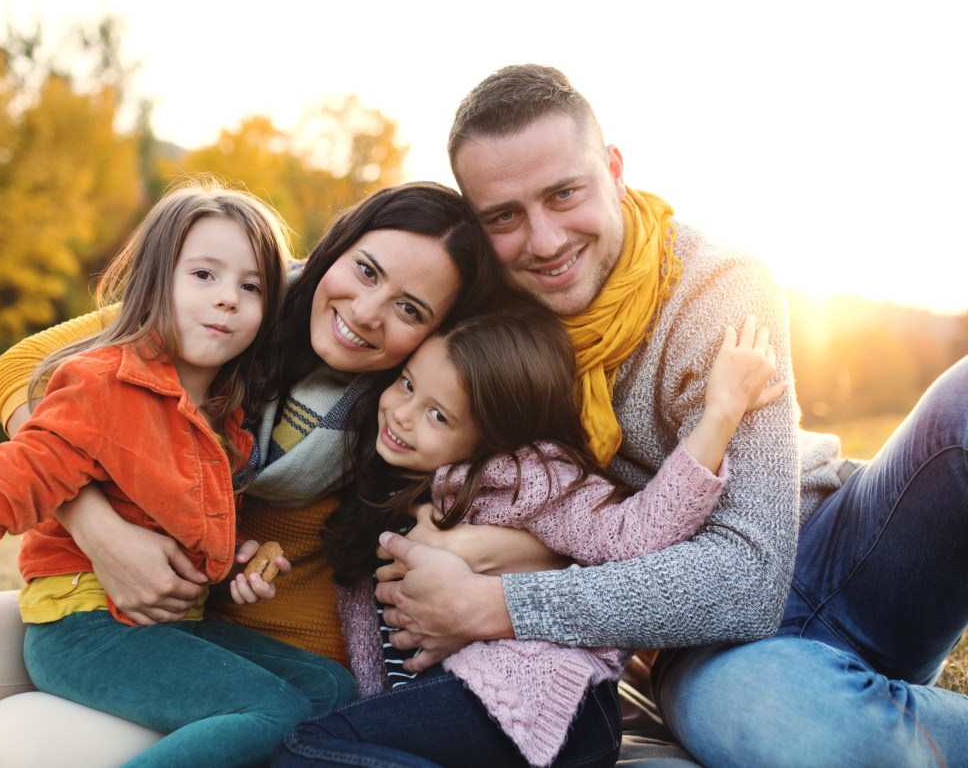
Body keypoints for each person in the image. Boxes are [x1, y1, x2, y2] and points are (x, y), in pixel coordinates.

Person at [0, 181, 510, 765]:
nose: (369, 311)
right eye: (365, 270)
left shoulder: (412, 413)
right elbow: (24, 376)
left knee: (16, 741)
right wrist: (100, 528)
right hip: (103, 611)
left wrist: (240, 558)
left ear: (434, 335)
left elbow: (537, 505)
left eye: (409, 308)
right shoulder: (219, 313)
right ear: (335, 249)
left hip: (225, 639)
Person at [373, 64, 968, 766]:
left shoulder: (714, 286)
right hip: (698, 645)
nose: (543, 240)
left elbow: (749, 573)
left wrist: (504, 601)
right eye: (504, 215)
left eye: (565, 194)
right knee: (793, 731)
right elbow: (357, 313)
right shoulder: (484, 333)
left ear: (614, 170)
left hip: (841, 545)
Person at [274, 302, 784, 768]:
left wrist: (720, 413)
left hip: (548, 703)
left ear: (490, 437)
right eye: (407, 383)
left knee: (307, 751)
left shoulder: (525, 476)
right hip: (463, 708)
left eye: (438, 415)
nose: (402, 415)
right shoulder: (383, 484)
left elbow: (637, 535)